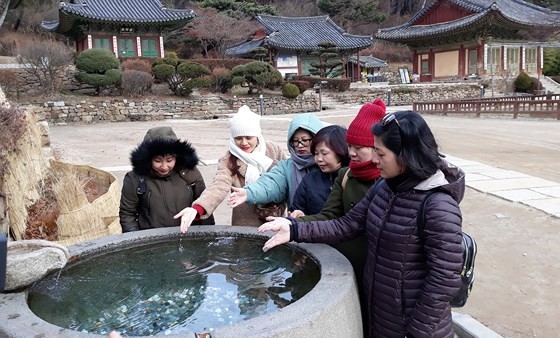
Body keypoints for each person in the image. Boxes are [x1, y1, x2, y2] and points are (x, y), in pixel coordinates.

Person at [258, 110, 465, 338]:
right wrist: (295, 228)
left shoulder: (438, 206)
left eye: (380, 153)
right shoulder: (384, 188)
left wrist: (417, 332)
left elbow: (444, 279)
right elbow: (347, 225)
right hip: (381, 314)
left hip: (415, 325)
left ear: (405, 155)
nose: (374, 159)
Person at [290, 99, 386, 332]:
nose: (351, 152)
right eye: (349, 146)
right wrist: (292, 224)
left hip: (384, 272)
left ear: (376, 148)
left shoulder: (389, 181)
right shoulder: (346, 176)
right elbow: (331, 217)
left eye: (358, 147)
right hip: (347, 264)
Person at [173, 105, 286, 232]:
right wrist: (197, 208)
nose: (244, 143)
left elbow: (288, 180)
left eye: (249, 137)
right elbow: (219, 186)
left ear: (257, 135)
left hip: (276, 220)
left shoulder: (274, 151)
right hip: (245, 225)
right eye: (238, 138)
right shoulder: (228, 159)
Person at [119, 126, 214, 232]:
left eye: (169, 160)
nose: (164, 166)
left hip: (188, 236)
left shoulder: (189, 174)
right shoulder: (135, 179)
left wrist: (208, 236)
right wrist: (134, 239)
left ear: (176, 157)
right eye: (158, 161)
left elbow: (204, 206)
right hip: (152, 240)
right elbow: (127, 213)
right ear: (148, 158)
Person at [227, 113, 323, 210]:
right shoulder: (287, 167)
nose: (299, 145)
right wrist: (250, 193)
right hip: (298, 223)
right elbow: (271, 184)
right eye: (295, 141)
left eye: (305, 140)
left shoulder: (330, 164)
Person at [289, 124, 349, 216]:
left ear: (340, 151)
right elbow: (297, 208)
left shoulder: (353, 179)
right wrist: (299, 215)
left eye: (324, 153)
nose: (319, 159)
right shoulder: (309, 180)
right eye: (316, 153)